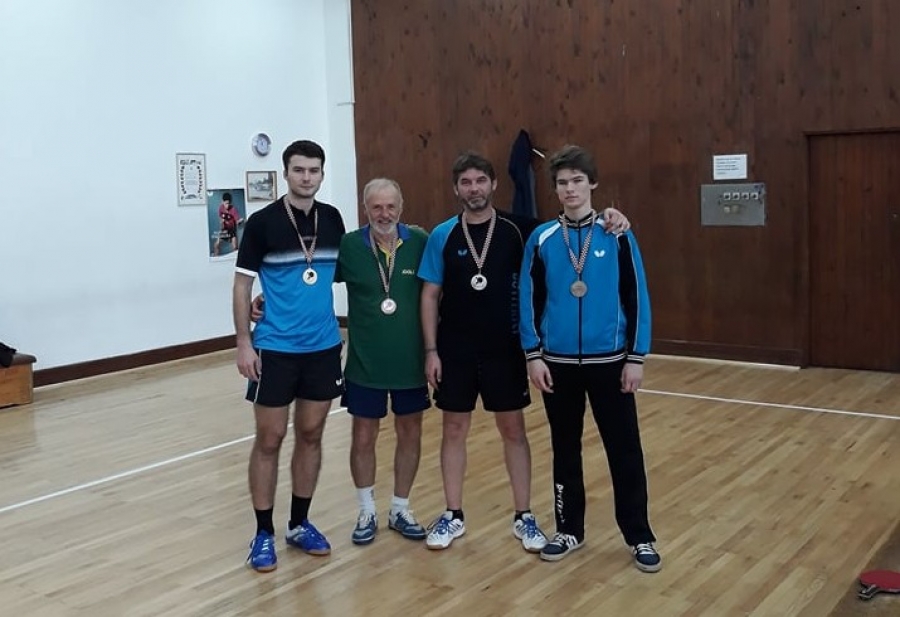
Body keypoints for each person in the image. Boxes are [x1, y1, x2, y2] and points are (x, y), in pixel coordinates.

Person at [417, 152, 630, 552]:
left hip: (507, 350)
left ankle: (524, 515)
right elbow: (430, 294)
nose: (474, 189)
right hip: (455, 350)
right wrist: (431, 350)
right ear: (456, 188)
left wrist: (610, 216)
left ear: (494, 184)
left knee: (513, 430)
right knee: (453, 430)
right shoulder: (442, 235)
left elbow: (570, 227)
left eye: (481, 180)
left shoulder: (522, 231)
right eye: (466, 182)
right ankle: (453, 514)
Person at [519, 145, 661, 572]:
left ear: (592, 183)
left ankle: (639, 535)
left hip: (611, 363)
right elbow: (528, 298)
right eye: (562, 182)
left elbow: (637, 296)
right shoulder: (542, 238)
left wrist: (636, 357)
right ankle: (569, 529)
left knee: (625, 449)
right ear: (555, 189)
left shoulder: (617, 234)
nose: (570, 189)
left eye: (578, 180)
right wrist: (533, 355)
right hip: (556, 364)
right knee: (564, 449)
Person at [233, 139, 346, 573]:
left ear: (321, 174)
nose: (306, 177)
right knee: (270, 437)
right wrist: (244, 342)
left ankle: (299, 524)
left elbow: (341, 274)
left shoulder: (332, 219)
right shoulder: (262, 223)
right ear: (285, 173)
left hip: (323, 347)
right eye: (299, 170)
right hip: (274, 349)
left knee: (312, 433)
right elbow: (243, 285)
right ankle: (263, 532)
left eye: (313, 170)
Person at [332, 178, 431, 545]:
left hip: (411, 363)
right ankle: (367, 511)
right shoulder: (348, 245)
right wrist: (265, 301)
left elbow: (439, 291)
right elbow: (313, 281)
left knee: (410, 433)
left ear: (401, 207)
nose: (384, 214)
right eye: (376, 207)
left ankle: (400, 508)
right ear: (365, 209)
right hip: (364, 363)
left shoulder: (419, 241)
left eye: (390, 206)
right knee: (363, 436)